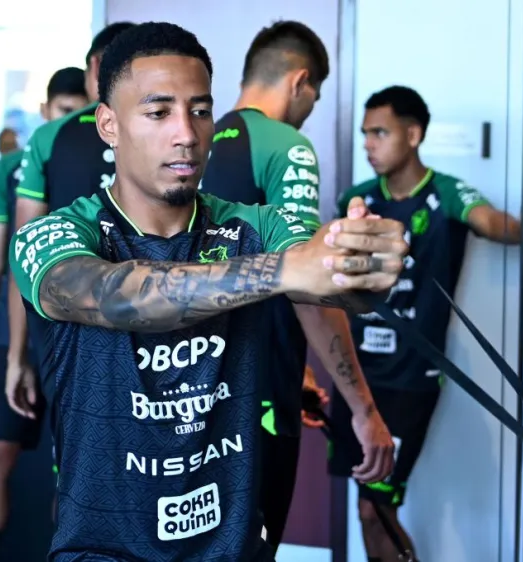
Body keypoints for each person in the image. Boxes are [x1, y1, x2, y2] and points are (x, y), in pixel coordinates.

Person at [8, 22, 405, 562]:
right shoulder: (54, 235)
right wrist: (284, 272)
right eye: (158, 112)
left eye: (199, 110)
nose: (187, 134)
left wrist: (362, 262)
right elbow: (117, 297)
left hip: (232, 547)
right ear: (109, 124)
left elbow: (332, 285)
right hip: (102, 549)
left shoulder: (254, 226)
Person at [327, 85, 523, 562]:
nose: (369, 144)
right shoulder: (356, 198)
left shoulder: (447, 192)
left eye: (380, 132)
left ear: (412, 134)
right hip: (355, 376)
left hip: (410, 379)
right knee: (366, 507)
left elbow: (497, 224)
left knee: (378, 511)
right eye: (365, 134)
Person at [200, 20, 392, 551]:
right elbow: (309, 285)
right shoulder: (287, 146)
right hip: (257, 395)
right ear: (299, 81)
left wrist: (302, 367)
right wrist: (364, 411)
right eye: (316, 95)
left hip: (188, 394)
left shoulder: (194, 140)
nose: (311, 107)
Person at [0, 66, 89, 562]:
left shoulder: (98, 159)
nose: (73, 120)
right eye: (63, 111)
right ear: (45, 110)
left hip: (68, 336)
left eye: (82, 109)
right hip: (8, 334)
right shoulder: (10, 168)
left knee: (77, 476)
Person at [6, 21, 136, 421]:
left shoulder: (50, 136)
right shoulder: (161, 130)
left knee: (76, 463)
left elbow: (24, 251)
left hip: (70, 327)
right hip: (149, 317)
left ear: (94, 67)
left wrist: (18, 353)